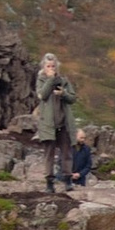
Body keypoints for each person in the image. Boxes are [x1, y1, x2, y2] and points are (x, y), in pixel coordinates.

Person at [31, 54, 76, 193]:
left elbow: (73, 98)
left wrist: (63, 94)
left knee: (66, 152)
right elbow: (42, 95)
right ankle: (49, 183)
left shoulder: (64, 80)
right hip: (47, 123)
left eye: (53, 66)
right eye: (48, 66)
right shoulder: (40, 80)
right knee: (49, 153)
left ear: (57, 67)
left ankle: (68, 180)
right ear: (44, 68)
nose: (51, 68)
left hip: (64, 123)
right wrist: (50, 80)